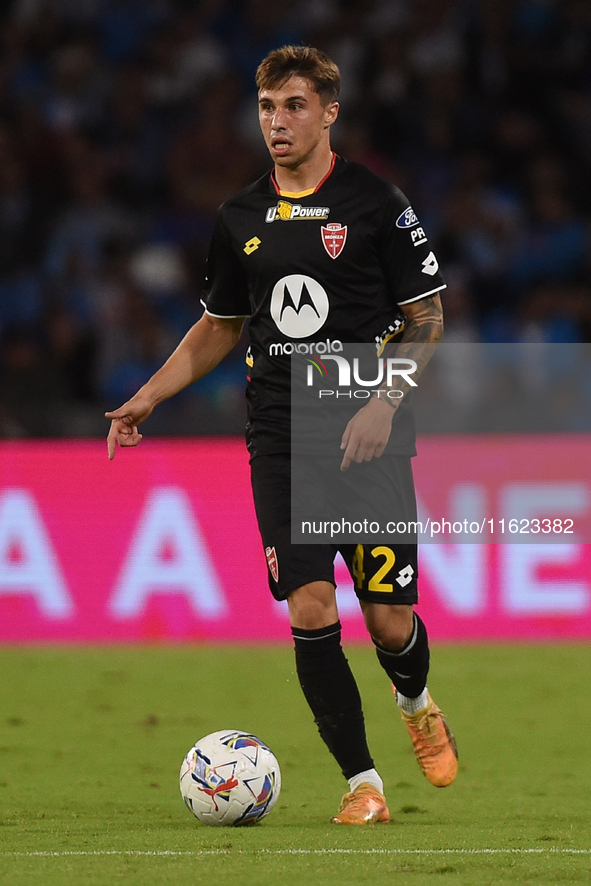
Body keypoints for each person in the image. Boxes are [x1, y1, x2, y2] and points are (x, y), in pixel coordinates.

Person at [106, 45, 457, 825]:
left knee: (388, 618)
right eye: (266, 108)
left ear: (329, 111)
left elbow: (427, 315)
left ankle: (417, 701)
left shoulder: (375, 203)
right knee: (307, 606)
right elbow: (220, 324)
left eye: (293, 106)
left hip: (368, 427)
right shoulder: (239, 216)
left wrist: (383, 403)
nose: (277, 122)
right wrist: (148, 396)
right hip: (279, 431)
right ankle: (362, 782)